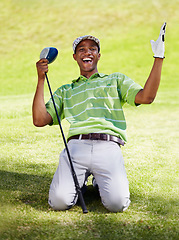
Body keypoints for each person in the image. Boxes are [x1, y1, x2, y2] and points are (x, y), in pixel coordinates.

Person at [32, 22, 166, 212]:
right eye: (81, 49)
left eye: (92, 49)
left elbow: (147, 97)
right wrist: (40, 79)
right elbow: (39, 120)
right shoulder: (66, 90)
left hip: (108, 146)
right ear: (75, 57)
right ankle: (81, 184)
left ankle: (96, 181)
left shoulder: (115, 80)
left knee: (117, 204)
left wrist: (158, 57)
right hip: (76, 148)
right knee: (59, 203)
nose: (87, 52)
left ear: (98, 55)